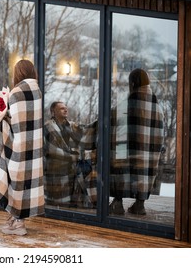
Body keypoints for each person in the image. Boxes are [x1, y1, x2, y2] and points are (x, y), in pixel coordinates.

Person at [0, 59, 45, 235]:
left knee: (13, 181)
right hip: (34, 145)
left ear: (18, 73)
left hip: (17, 144)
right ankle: (16, 219)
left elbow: (13, 120)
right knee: (26, 182)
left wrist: (0, 115)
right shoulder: (38, 92)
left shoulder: (16, 92)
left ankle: (18, 222)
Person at [109, 68, 165, 215]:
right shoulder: (157, 106)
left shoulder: (126, 104)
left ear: (133, 83)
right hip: (147, 153)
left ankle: (117, 202)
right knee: (144, 173)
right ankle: (140, 204)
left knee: (121, 169)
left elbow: (113, 124)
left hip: (127, 150)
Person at [44, 101, 98, 208]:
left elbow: (85, 131)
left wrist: (98, 123)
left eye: (66, 108)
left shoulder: (70, 125)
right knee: (58, 201)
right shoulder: (48, 127)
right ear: (53, 112)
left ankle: (80, 203)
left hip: (69, 164)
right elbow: (51, 149)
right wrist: (72, 157)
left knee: (89, 171)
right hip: (54, 166)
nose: (65, 110)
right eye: (61, 108)